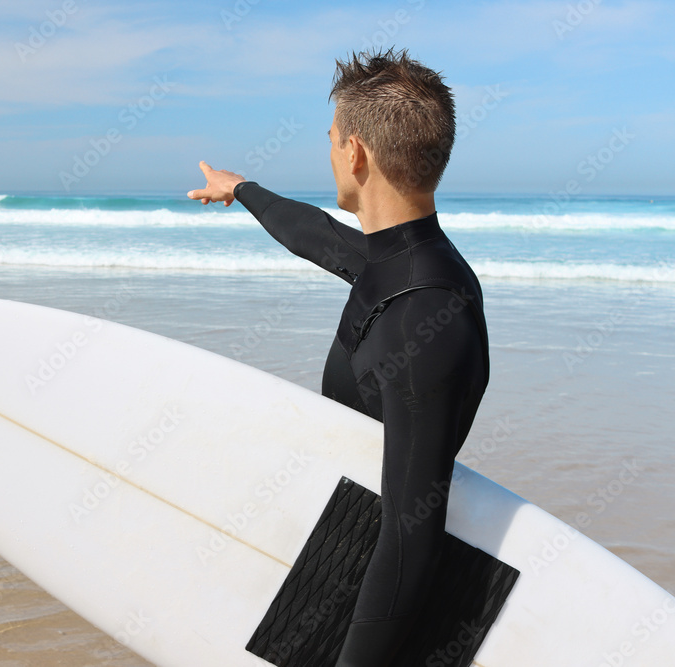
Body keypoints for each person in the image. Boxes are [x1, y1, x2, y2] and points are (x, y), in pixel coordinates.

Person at [187, 48, 489, 666]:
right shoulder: (403, 265)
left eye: (330, 139)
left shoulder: (425, 321)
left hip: (372, 618)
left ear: (355, 153)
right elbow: (319, 238)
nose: (328, 153)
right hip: (337, 567)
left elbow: (410, 537)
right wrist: (240, 188)